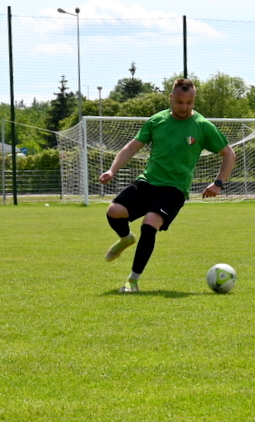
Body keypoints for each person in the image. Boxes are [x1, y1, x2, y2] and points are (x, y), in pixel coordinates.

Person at [98, 78, 235, 292]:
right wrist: (112, 170)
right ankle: (125, 239)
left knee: (150, 223)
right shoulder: (157, 121)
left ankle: (133, 280)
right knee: (114, 211)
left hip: (174, 189)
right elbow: (131, 148)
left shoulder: (202, 126)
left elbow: (229, 154)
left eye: (189, 103)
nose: (184, 107)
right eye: (180, 102)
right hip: (148, 182)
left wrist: (218, 183)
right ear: (171, 98)